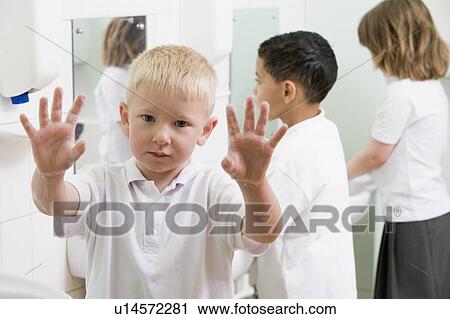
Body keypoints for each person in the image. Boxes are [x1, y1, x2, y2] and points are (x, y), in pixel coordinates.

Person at [19, 45, 288, 298]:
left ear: (204, 130)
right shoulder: (101, 182)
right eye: (148, 118)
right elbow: (53, 205)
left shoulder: (214, 187)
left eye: (180, 123)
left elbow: (263, 233)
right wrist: (50, 175)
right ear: (126, 119)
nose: (161, 136)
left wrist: (255, 183)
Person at [347, 0, 450, 298]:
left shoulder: (400, 94)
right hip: (433, 214)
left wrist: (335, 175)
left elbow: (376, 155)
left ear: (388, 44)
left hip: (414, 221)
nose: (373, 59)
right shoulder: (430, 87)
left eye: (373, 48)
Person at [254, 31, 357, 298]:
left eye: (258, 81)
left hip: (300, 293)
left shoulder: (294, 154)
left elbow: (260, 228)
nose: (254, 90)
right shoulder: (324, 128)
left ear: (287, 90)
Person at [94, 17, 146, 163]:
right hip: (119, 159)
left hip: (131, 158)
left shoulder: (132, 73)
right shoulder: (115, 75)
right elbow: (126, 126)